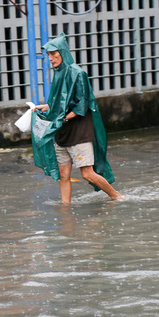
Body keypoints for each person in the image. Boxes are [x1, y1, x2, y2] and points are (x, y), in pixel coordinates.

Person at [31, 33, 124, 204]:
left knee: (87, 174)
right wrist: (48, 107)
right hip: (61, 133)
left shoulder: (78, 73)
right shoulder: (58, 73)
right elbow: (61, 102)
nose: (50, 59)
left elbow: (81, 105)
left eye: (53, 54)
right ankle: (65, 209)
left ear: (62, 52)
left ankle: (117, 197)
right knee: (63, 175)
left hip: (79, 133)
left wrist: (64, 119)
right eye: (48, 55)